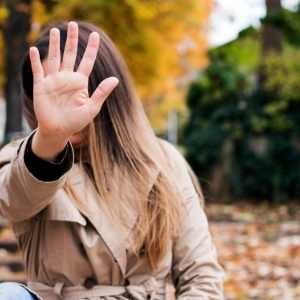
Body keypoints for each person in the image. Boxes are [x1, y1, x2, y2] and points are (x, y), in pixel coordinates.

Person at [0, 20, 225, 299]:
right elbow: (13, 198)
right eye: (51, 92)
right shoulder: (27, 159)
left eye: (74, 88)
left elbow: (201, 277)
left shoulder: (163, 162)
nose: (66, 104)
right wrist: (49, 139)